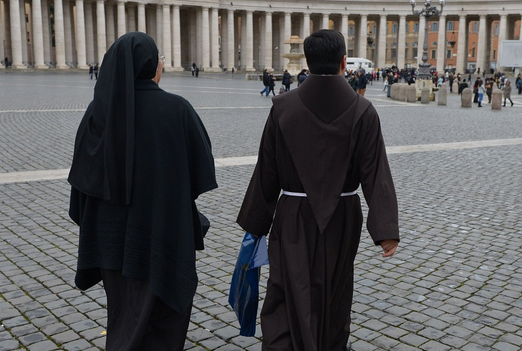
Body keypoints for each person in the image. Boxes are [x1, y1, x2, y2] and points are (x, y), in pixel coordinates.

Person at [237, 29, 399, 351]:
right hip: (342, 217)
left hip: (293, 215)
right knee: (334, 292)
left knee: (286, 286)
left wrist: (256, 225)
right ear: (343, 62)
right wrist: (385, 229)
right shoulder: (363, 111)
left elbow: (266, 169)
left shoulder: (283, 107)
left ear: (307, 63)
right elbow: (375, 172)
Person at [68, 32, 217, 350]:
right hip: (164, 236)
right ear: (151, 65)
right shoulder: (177, 109)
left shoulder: (98, 113)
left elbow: (82, 186)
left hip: (111, 246)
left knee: (123, 316)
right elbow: (200, 174)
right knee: (161, 324)